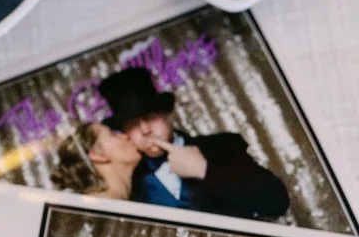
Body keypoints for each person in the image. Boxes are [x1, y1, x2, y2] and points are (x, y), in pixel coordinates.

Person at [96, 67, 290, 222]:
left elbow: (277, 203)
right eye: (132, 125)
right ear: (125, 133)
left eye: (150, 117)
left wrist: (204, 171)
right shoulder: (131, 181)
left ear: (166, 114)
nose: (145, 130)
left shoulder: (222, 147)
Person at [48, 121, 142, 200]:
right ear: (98, 155)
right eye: (113, 134)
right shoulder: (104, 207)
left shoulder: (113, 203)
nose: (125, 136)